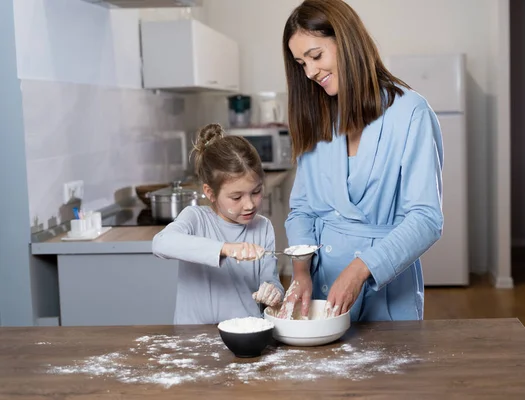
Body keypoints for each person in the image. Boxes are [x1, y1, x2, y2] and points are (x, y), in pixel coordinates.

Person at [277, 0, 444, 322]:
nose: (310, 72)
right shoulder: (318, 115)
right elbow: (302, 209)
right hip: (323, 288)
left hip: (389, 288)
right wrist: (300, 272)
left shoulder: (410, 113)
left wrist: (360, 269)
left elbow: (426, 218)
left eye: (315, 56)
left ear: (348, 43)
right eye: (301, 64)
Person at [152, 123, 284, 325]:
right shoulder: (195, 218)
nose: (249, 204)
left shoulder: (263, 227)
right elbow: (160, 243)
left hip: (245, 331)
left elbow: (270, 278)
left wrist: (273, 291)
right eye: (236, 197)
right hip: (194, 336)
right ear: (210, 192)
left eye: (256, 192)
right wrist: (226, 249)